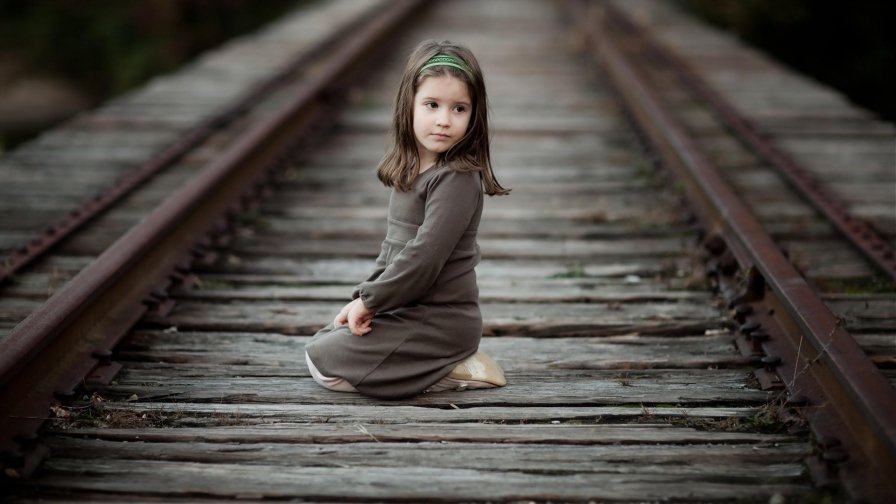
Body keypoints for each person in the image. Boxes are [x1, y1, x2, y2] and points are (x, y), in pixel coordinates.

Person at [304, 40, 510, 399]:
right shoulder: (411, 171)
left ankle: (454, 366)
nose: (444, 120)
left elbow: (424, 257)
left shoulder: (457, 178)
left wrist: (371, 303)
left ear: (473, 115)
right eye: (432, 105)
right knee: (323, 342)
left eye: (459, 109)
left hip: (442, 320)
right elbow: (392, 251)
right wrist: (363, 299)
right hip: (406, 306)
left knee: (327, 363)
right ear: (409, 106)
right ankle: (422, 363)